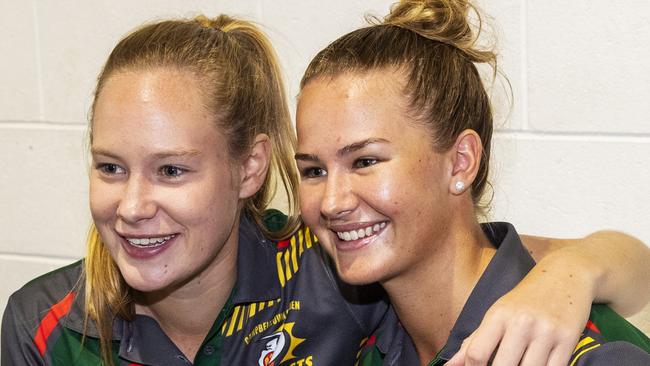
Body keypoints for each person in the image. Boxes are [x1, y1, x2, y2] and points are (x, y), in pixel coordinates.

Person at [2, 10, 650, 366]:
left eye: (172, 169)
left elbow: (620, 268)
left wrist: (575, 273)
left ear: (250, 170)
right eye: (312, 170)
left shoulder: (324, 280)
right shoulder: (43, 322)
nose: (334, 201)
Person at [295, 0, 650, 365]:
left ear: (461, 162)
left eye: (365, 161)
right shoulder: (366, 333)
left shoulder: (580, 354)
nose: (331, 202)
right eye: (313, 171)